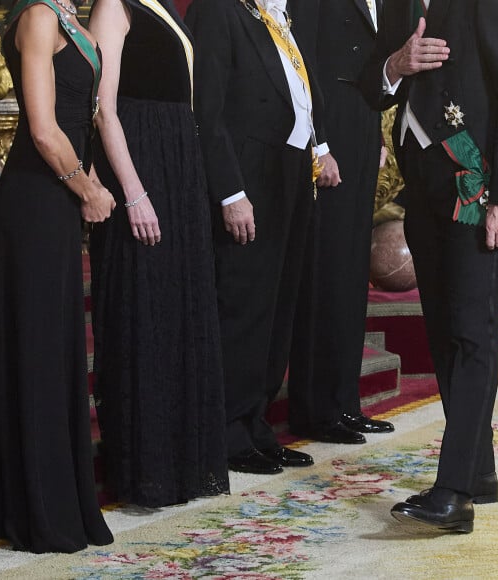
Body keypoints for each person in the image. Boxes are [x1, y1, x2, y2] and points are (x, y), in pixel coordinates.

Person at [360, 0, 498, 533]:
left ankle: (454, 490)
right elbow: (372, 85)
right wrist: (395, 65)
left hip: (477, 189)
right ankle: (479, 472)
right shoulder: (397, 4)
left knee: (470, 335)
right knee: (443, 334)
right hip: (422, 191)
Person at [0, 0, 115, 553]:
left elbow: (86, 118)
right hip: (36, 198)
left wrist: (94, 183)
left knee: (56, 351)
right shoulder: (38, 16)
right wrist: (88, 190)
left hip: (60, 196)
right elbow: (41, 129)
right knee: (37, 353)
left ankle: (58, 502)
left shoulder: (71, 18)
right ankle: (38, 513)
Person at [185, 0, 340, 474]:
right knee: (245, 304)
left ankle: (256, 424)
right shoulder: (219, 12)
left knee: (278, 306)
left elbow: (298, 92)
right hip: (247, 180)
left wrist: (319, 148)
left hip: (289, 174)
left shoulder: (277, 17)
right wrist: (230, 191)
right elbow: (207, 111)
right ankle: (229, 431)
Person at [88, 0, 229, 507]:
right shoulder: (113, 5)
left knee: (176, 312)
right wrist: (133, 191)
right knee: (142, 314)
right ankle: (143, 472)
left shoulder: (161, 7)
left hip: (177, 167)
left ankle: (178, 466)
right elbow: (103, 106)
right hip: (142, 167)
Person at [286, 0, 395, 445]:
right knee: (325, 272)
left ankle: (345, 402)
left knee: (351, 274)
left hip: (362, 129)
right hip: (327, 136)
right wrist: (319, 144)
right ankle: (315, 410)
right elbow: (302, 57)